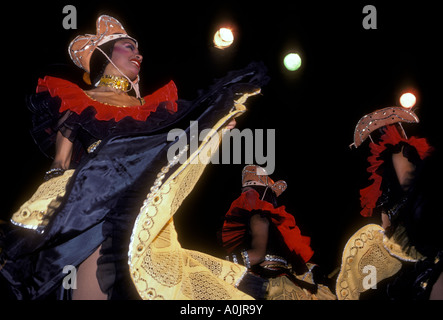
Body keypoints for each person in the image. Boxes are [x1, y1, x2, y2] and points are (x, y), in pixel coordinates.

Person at [0, 15, 268, 300]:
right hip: (93, 201)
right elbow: (60, 164)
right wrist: (53, 211)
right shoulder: (78, 99)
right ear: (105, 54)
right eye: (128, 47)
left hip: (143, 207)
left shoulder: (152, 108)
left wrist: (214, 128)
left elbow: (178, 144)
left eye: (137, 49)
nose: (138, 54)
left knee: (142, 284)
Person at [336, 106, 443, 300]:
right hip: (399, 230)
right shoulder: (384, 167)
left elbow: (409, 189)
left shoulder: (398, 151)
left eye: (373, 138)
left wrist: (404, 226)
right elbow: (386, 210)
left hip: (410, 229)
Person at [221, 164, 336, 300]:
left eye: (249, 190)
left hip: (269, 285)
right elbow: (294, 261)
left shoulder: (258, 218)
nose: (245, 195)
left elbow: (258, 255)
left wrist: (221, 264)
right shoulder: (276, 225)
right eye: (245, 190)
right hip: (285, 282)